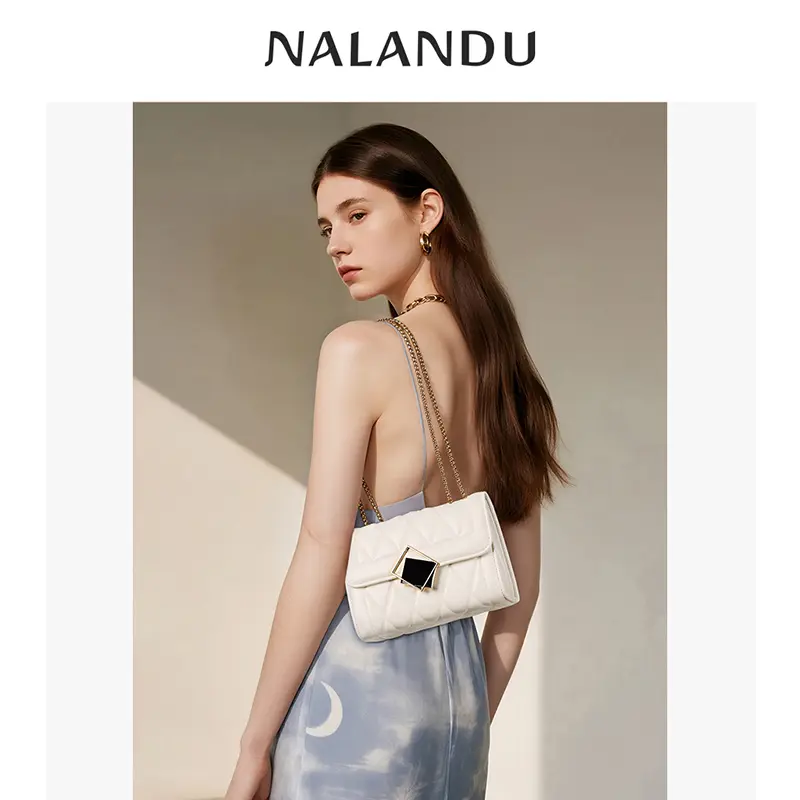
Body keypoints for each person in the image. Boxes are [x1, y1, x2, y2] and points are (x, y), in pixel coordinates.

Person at [223, 122, 570, 800]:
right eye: (327, 227)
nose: (337, 243)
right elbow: (519, 597)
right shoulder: (508, 377)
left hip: (353, 706)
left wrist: (254, 747)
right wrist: (465, 722)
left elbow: (323, 548)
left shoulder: (359, 350)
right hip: (457, 716)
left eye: (357, 214)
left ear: (427, 212)